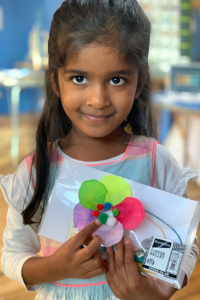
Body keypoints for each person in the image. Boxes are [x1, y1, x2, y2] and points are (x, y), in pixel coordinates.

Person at [0, 1, 199, 299]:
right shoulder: (36, 170)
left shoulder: (156, 162)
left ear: (139, 81)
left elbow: (182, 249)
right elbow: (13, 255)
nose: (98, 99)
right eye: (79, 78)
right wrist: (55, 267)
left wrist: (154, 293)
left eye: (116, 80)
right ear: (56, 80)